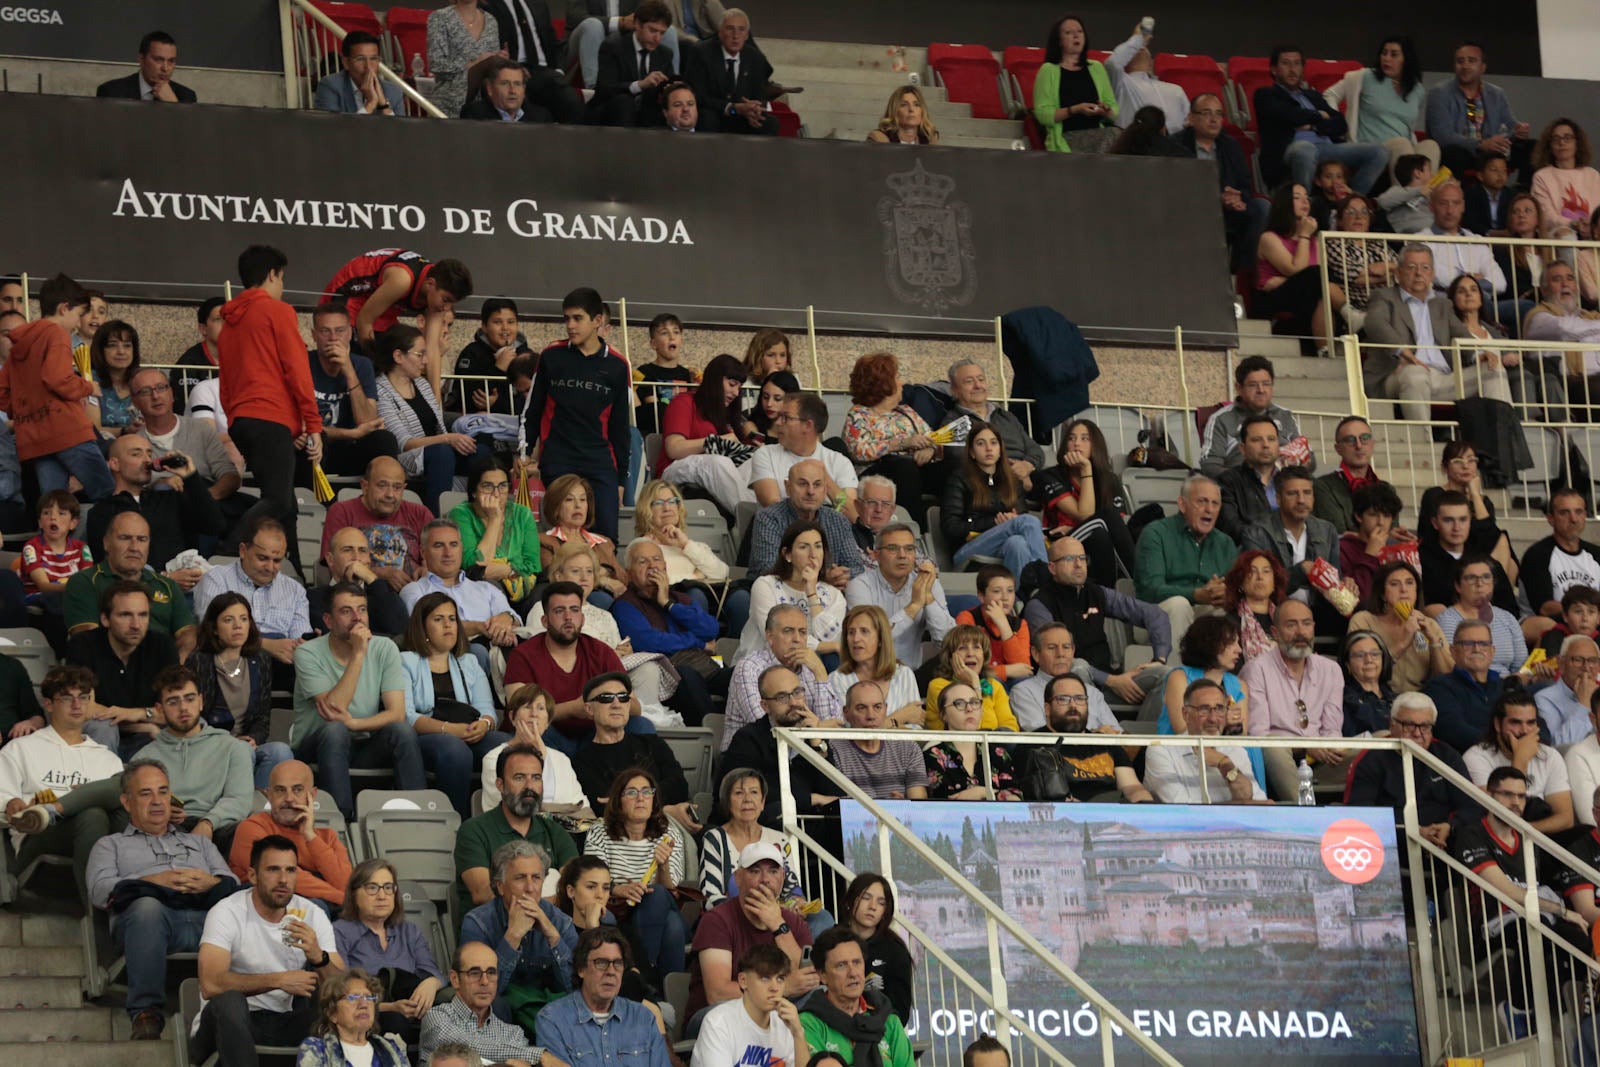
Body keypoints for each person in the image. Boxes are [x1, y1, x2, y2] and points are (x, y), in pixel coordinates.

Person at [87, 759, 238, 1040]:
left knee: (243, 910)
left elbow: (234, 887)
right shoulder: (110, 845)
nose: (157, 801)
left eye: (163, 792)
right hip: (150, 922)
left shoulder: (201, 843)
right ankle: (146, 1012)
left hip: (208, 921)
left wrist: (211, 882)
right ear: (127, 801)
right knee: (147, 907)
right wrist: (151, 881)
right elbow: (99, 890)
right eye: (146, 794)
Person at [191, 834, 345, 1067]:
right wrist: (278, 980)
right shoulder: (226, 912)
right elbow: (211, 984)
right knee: (230, 1001)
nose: (283, 879)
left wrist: (319, 957)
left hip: (282, 1020)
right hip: (226, 1025)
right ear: (252, 875)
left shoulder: (311, 914)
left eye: (291, 870)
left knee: (339, 1010)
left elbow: (344, 991)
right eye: (273, 870)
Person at [219, 245, 325, 582]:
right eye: (282, 277)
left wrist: (235, 414)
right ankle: (224, 554)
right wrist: (313, 423)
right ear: (272, 274)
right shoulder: (277, 311)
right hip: (270, 418)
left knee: (287, 507)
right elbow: (297, 369)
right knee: (278, 501)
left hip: (242, 419)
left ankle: (294, 574)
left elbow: (226, 381)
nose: (282, 285)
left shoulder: (229, 324)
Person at [291, 582, 424, 820]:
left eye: (362, 610)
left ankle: (416, 814)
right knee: (335, 730)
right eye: (346, 611)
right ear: (328, 620)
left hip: (363, 743)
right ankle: (341, 819)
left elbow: (396, 713)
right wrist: (358, 654)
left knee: (401, 731)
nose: (357, 618)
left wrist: (355, 724)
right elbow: (334, 709)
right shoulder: (307, 653)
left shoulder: (385, 647)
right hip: (315, 746)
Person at [0, 665, 123, 906]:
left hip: (99, 843)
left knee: (111, 806)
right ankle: (97, 914)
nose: (77, 705)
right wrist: (12, 804)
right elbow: (2, 796)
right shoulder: (21, 748)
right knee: (93, 814)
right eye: (67, 698)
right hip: (37, 843)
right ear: (48, 704)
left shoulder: (107, 758)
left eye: (83, 698)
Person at [525, 287, 632, 542]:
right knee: (562, 537)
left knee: (606, 539)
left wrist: (620, 480)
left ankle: (603, 581)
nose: (570, 325)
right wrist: (524, 451)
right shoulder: (552, 356)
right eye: (566, 318)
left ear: (597, 321)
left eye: (577, 318)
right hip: (558, 457)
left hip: (599, 461)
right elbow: (532, 408)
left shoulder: (618, 366)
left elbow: (620, 427)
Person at [1364, 243, 1511, 420]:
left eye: (1425, 268)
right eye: (1411, 267)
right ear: (1398, 273)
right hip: (1398, 375)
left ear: (1432, 274)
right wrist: (1401, 350)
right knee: (1415, 373)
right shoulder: (1385, 297)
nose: (1419, 273)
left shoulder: (1442, 305)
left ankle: (1505, 440)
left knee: (1493, 369)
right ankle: (1422, 443)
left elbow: (1461, 334)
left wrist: (1477, 355)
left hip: (1442, 378)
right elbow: (1375, 323)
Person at [503, 582, 654, 754]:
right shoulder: (523, 655)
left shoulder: (601, 652)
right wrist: (572, 708)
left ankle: (634, 781)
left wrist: (602, 707)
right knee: (534, 729)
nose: (568, 617)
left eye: (574, 610)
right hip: (549, 736)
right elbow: (521, 714)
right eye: (559, 611)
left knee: (641, 725)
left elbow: (634, 706)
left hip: (594, 736)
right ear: (545, 621)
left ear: (582, 618)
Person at [0, 273, 112, 499]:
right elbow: (57, 378)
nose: (78, 322)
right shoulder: (57, 334)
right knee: (108, 492)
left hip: (34, 439)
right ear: (64, 308)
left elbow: (2, 393)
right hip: (68, 431)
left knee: (54, 505)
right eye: (79, 314)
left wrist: (23, 410)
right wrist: (88, 387)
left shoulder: (19, 345)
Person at [1022, 533, 1170, 703]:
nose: (1078, 565)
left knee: (1166, 674)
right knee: (1078, 667)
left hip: (1108, 685)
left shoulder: (1097, 593)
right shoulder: (1039, 605)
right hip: (1064, 689)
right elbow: (1057, 658)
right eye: (1069, 559)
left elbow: (1156, 614)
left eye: (1082, 558)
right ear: (1052, 568)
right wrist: (1112, 680)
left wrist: (1159, 659)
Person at [399, 591, 508, 818]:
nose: (448, 625)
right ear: (422, 627)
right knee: (455, 750)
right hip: (427, 737)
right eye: (438, 619)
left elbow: (487, 709)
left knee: (506, 746)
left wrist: (485, 724)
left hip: (467, 731)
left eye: (451, 619)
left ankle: (500, 819)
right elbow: (406, 716)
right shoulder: (405, 662)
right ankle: (455, 821)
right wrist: (449, 729)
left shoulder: (468, 661)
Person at [686, 841, 819, 1026]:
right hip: (718, 1016)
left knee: (819, 998)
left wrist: (778, 925)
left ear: (782, 877)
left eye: (773, 871)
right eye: (755, 871)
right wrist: (783, 987)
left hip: (777, 1010)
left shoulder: (792, 922)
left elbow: (807, 979)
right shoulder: (716, 920)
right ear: (738, 878)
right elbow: (717, 993)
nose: (765, 879)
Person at [454, 743, 579, 927]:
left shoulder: (555, 832)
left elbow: (577, 887)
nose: (530, 786)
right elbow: (483, 894)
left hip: (548, 934)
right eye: (519, 778)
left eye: (536, 778)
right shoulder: (474, 831)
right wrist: (551, 902)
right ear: (500, 785)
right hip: (492, 933)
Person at [581, 766, 689, 975]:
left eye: (647, 792)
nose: (641, 798)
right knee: (672, 926)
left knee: (657, 895)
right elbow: (591, 878)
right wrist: (617, 889)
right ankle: (660, 992)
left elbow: (671, 889)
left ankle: (640, 974)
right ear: (618, 801)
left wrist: (662, 865)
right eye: (631, 792)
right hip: (619, 911)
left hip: (656, 905)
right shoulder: (600, 832)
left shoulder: (668, 832)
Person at [459, 840, 577, 1026]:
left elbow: (576, 988)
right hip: (500, 1017)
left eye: (536, 878)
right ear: (499, 885)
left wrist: (553, 937)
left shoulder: (560, 922)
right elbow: (479, 990)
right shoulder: (478, 923)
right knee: (493, 1004)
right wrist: (512, 937)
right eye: (520, 878)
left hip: (547, 1014)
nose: (530, 888)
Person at [1238, 599, 1346, 800]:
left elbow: (1332, 729)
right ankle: (1303, 813)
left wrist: (1329, 747)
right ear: (1275, 632)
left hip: (1321, 757)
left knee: (1382, 741)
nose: (1300, 632)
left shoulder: (1331, 669)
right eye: (1291, 625)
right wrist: (1307, 745)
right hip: (1281, 758)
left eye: (1306, 624)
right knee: (1273, 747)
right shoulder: (1257, 670)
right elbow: (1259, 735)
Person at [611, 538, 722, 725]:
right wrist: (699, 643)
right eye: (643, 561)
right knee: (687, 674)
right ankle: (715, 736)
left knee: (743, 673)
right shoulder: (625, 605)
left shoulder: (680, 598)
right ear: (629, 573)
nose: (652, 566)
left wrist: (668, 604)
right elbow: (649, 642)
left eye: (656, 559)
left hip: (707, 667)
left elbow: (711, 629)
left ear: (665, 565)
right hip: (670, 678)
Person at [85, 434, 225, 583]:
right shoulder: (102, 512)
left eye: (149, 453)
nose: (146, 460)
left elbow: (215, 525)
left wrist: (191, 476)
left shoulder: (169, 499)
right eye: (136, 454)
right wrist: (164, 579)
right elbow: (106, 569)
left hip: (187, 590)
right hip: (136, 594)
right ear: (115, 464)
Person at [1253, 44, 1386, 194]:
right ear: (1274, 70)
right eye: (1286, 63)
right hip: (1291, 149)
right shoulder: (1265, 94)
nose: (1292, 69)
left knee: (1378, 152)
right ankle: (1303, 208)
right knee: (1305, 149)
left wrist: (1313, 127)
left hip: (1327, 148)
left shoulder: (1312, 96)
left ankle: (1349, 201)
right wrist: (1318, 116)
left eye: (1297, 64)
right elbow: (1289, 114)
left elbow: (1340, 124)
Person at [63, 512, 199, 657]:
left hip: (164, 670)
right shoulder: (84, 582)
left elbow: (188, 633)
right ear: (106, 543)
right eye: (125, 538)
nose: (134, 547)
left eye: (142, 539)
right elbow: (87, 640)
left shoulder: (167, 585)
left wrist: (176, 665)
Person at [64, 581, 178, 755]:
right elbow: (84, 708)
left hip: (150, 734)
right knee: (103, 727)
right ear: (105, 619)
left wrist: (138, 713)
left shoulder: (162, 645)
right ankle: (102, 782)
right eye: (125, 615)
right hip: (104, 734)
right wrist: (141, 724)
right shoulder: (83, 646)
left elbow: (176, 707)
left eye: (143, 615)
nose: (136, 625)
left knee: (195, 722)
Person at [373, 322, 473, 515]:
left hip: (438, 450)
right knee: (442, 454)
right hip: (408, 457)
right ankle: (435, 519)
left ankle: (476, 515)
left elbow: (440, 427)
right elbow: (405, 444)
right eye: (420, 354)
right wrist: (447, 439)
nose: (425, 361)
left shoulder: (422, 385)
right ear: (398, 356)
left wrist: (452, 440)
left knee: (478, 451)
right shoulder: (381, 391)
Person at [1346, 692, 1474, 843]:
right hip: (1392, 846)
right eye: (1409, 725)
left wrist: (1450, 826)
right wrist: (1412, 832)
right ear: (1392, 724)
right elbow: (1360, 814)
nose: (1417, 733)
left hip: (1445, 843)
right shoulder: (1371, 759)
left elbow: (1472, 807)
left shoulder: (1447, 756)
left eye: (1425, 726)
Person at [722, 665, 843, 823]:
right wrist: (811, 799)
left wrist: (817, 744)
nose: (793, 702)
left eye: (797, 693)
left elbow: (833, 795)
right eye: (782, 697)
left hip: (810, 828)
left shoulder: (812, 735)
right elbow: (749, 795)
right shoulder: (748, 739)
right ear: (765, 706)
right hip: (766, 828)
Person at [571, 672, 695, 823]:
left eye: (623, 697)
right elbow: (605, 808)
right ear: (589, 709)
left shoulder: (653, 743)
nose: (616, 704)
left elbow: (679, 787)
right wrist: (665, 809)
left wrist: (627, 798)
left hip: (670, 828)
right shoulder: (581, 762)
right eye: (606, 698)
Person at [539, 927, 672, 1067]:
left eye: (618, 964)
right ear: (581, 969)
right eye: (601, 963)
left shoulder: (644, 1018)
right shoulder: (552, 1020)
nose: (611, 972)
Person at [228, 759, 352, 910]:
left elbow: (347, 884)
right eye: (280, 790)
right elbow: (283, 878)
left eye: (297, 790)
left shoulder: (327, 837)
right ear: (269, 795)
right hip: (264, 911)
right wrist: (345, 900)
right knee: (315, 907)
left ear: (312, 795)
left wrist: (310, 836)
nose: (288, 798)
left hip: (325, 908)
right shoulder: (252, 828)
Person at [1133, 474, 1237, 651]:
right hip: (1156, 615)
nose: (1209, 509)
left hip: (1203, 613)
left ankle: (1220, 676)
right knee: (1179, 605)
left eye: (1215, 503)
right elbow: (1150, 589)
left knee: (1223, 612)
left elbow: (1236, 589)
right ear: (1182, 504)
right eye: (1202, 502)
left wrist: (1227, 594)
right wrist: (1196, 594)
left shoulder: (1225, 543)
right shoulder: (1156, 534)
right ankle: (1176, 675)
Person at [194, 518, 309, 671]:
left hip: (283, 665)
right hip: (230, 663)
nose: (270, 567)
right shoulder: (216, 580)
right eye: (262, 558)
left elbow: (300, 639)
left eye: (277, 560)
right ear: (243, 550)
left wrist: (303, 644)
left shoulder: (295, 590)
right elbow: (211, 632)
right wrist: (266, 645)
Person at [304, 302, 400, 480]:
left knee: (383, 439)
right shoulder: (302, 362)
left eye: (340, 330)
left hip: (348, 449)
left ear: (349, 333)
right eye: (325, 331)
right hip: (314, 447)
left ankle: (381, 498)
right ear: (314, 335)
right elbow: (301, 427)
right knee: (311, 439)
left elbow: (368, 421)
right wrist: (352, 433)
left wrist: (348, 369)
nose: (333, 338)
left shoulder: (361, 365)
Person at [1019, 674, 1152, 803]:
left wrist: (1144, 803)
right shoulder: (1032, 745)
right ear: (1047, 708)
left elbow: (1131, 786)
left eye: (1080, 698)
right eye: (1063, 699)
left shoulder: (1105, 742)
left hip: (1110, 814)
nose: (1073, 705)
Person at [940, 421, 1047, 580]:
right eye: (980, 444)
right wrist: (995, 523)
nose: (988, 448)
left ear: (1000, 450)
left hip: (1004, 544)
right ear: (972, 452)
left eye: (993, 443)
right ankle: (1046, 581)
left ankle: (1021, 599)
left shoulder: (1012, 480)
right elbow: (951, 527)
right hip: (968, 549)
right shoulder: (959, 479)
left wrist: (1011, 521)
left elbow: (1020, 516)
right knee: (1028, 522)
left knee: (1017, 544)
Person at [130, 367, 244, 515]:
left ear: (172, 393)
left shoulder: (200, 429)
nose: (156, 396)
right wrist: (159, 485)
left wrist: (202, 499)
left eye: (161, 387)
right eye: (145, 391)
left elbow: (230, 476)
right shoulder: (134, 444)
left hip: (210, 511)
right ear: (135, 402)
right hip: (163, 514)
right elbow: (134, 491)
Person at [1033, 418, 1135, 585]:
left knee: (1101, 534)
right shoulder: (1051, 476)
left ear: (1096, 445)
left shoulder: (1109, 479)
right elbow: (1085, 515)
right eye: (1071, 439)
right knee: (1105, 519)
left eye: (1084, 438)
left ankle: (1106, 595)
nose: (1076, 444)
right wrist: (1086, 469)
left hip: (1094, 536)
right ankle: (1139, 578)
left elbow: (1117, 525)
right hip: (1064, 541)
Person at [418, 941, 551, 1067]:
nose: (485, 981)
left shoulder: (513, 1034)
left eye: (491, 972)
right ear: (455, 979)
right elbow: (462, 1049)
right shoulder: (436, 1018)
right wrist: (538, 1055)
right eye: (475, 973)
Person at [841, 352, 936, 525]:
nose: (903, 383)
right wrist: (900, 443)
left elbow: (933, 438)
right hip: (876, 472)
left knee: (952, 467)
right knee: (904, 467)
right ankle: (913, 525)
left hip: (915, 467)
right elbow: (859, 451)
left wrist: (930, 449)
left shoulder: (906, 412)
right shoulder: (859, 414)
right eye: (897, 377)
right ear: (883, 384)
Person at [1323, 36, 1439, 178]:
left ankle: (1425, 195)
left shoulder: (1417, 89)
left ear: (1406, 59)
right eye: (1384, 53)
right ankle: (1402, 195)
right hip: (1372, 148)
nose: (1386, 58)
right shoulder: (1364, 77)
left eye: (1394, 54)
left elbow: (1410, 126)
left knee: (1430, 145)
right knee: (1401, 144)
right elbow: (1330, 94)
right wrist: (1337, 122)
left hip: (1406, 148)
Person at [797, 928, 915, 1067]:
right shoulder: (809, 1023)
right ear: (822, 975)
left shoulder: (889, 1021)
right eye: (841, 965)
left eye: (857, 962)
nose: (853, 973)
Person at [658, 353, 759, 515]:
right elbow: (673, 449)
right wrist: (715, 442)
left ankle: (762, 513)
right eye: (732, 384)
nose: (735, 393)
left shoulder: (725, 414)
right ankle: (752, 516)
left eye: (739, 387)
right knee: (718, 463)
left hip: (716, 472)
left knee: (757, 460)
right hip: (673, 472)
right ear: (715, 380)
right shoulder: (684, 402)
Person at [1179, 93, 1270, 272]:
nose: (1214, 119)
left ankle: (1239, 275)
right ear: (1191, 118)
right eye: (1206, 113)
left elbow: (1245, 185)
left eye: (1218, 114)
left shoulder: (1230, 145)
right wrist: (1215, 198)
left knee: (1261, 207)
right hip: (1189, 211)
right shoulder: (1177, 145)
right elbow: (1173, 189)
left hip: (1226, 212)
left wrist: (1236, 198)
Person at [1466, 690, 1575, 837]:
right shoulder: (1476, 757)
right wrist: (1520, 761)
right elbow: (1496, 815)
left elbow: (1565, 819)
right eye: (1515, 722)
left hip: (1541, 837)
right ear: (1498, 724)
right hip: (1499, 839)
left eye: (1530, 723)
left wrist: (1525, 830)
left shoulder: (1550, 756)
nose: (1524, 731)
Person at [1254, 182, 1346, 352]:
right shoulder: (1269, 238)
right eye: (1297, 198)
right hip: (1274, 301)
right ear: (1284, 203)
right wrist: (1304, 234)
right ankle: (1348, 313)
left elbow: (1317, 281)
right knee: (1316, 275)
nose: (1305, 202)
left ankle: (1325, 351)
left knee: (1322, 290)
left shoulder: (1315, 242)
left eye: (1307, 198)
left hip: (1305, 300)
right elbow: (1296, 270)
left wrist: (1284, 280)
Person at [844, 524, 952, 667]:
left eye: (909, 549)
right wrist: (914, 606)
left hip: (911, 677)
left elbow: (946, 641)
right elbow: (870, 639)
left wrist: (929, 599)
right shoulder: (859, 586)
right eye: (893, 549)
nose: (902, 555)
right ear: (876, 555)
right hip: (869, 673)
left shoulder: (928, 583)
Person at [1144, 678, 1267, 802]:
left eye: (1219, 709)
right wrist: (1235, 805)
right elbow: (1182, 809)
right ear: (1186, 714)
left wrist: (1225, 764)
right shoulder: (1161, 751)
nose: (1213, 719)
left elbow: (1256, 801)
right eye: (1204, 709)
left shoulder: (1236, 751)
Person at [749, 459, 868, 587]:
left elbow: (856, 567)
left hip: (831, 594)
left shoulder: (838, 519)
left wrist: (839, 575)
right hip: (779, 596)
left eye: (817, 485)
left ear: (825, 489)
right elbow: (767, 569)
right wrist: (822, 578)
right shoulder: (769, 518)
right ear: (787, 487)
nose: (811, 491)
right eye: (802, 484)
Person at [740, 520, 846, 663]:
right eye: (804, 547)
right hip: (763, 664)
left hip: (810, 668)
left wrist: (812, 593)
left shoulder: (834, 595)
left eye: (818, 546)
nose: (813, 555)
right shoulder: (765, 586)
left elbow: (830, 636)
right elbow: (778, 638)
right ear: (787, 554)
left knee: (833, 660)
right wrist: (825, 646)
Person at [699, 769, 805, 910]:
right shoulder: (714, 839)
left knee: (822, 918)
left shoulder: (779, 839)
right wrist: (754, 910)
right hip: (733, 920)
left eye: (754, 792)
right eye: (739, 793)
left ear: (762, 802)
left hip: (777, 916)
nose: (747, 799)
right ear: (727, 802)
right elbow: (710, 897)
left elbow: (792, 889)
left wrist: (797, 903)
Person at [1425, 42, 1533, 181]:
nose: (1465, 66)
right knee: (1453, 153)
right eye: (1460, 61)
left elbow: (1510, 125)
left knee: (1532, 147)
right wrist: (1481, 144)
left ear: (1482, 67)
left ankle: (1522, 193)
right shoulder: (1439, 93)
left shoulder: (1496, 93)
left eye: (1471, 61)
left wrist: (1518, 131)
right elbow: (1443, 136)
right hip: (1463, 152)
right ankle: (1456, 198)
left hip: (1491, 152)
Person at [321, 248, 471, 346]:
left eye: (452, 303)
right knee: (363, 361)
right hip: (350, 295)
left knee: (399, 355)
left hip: (382, 306)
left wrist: (435, 395)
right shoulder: (402, 279)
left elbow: (432, 349)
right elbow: (364, 320)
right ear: (430, 284)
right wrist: (374, 362)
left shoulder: (437, 295)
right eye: (446, 300)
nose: (446, 308)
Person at [692, 942, 809, 1067]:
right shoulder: (718, 1022)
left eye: (780, 979)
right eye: (765, 978)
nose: (775, 987)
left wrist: (798, 1034)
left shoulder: (787, 1023)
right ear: (743, 981)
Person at [1198, 356, 1314, 479]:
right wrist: (1242, 482)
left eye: (1266, 384)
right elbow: (1209, 465)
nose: (1261, 390)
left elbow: (1310, 459)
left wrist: (1297, 465)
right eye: (1253, 385)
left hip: (1285, 484)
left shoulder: (1285, 416)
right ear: (1239, 388)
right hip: (1241, 487)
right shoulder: (1221, 419)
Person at [321, 456, 436, 579]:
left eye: (397, 487)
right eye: (382, 486)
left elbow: (436, 561)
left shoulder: (420, 514)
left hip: (413, 592)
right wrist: (379, 575)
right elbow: (335, 566)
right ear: (365, 486)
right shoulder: (342, 512)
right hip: (361, 592)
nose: (390, 494)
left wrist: (427, 571)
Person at [751, 392, 861, 520]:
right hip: (780, 534)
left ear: (808, 425)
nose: (778, 422)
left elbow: (852, 514)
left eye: (786, 417)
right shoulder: (765, 455)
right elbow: (772, 504)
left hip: (828, 535)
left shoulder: (839, 462)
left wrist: (825, 478)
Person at [449, 457, 540, 612]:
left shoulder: (522, 514)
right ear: (474, 491)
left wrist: (508, 570)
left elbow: (533, 565)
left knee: (545, 595)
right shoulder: (461, 514)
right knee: (489, 586)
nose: (496, 494)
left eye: (502, 486)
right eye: (487, 486)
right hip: (482, 587)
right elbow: (473, 567)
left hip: (521, 585)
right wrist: (495, 519)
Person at [1347, 561, 1452, 694]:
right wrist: (1404, 640)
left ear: (1416, 591)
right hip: (1376, 696)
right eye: (1394, 584)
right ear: (1383, 594)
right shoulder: (1364, 620)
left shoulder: (1429, 624)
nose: (1403, 589)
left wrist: (1435, 643)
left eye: (1409, 583)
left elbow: (1447, 678)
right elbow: (1361, 669)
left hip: (1421, 700)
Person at [481, 684, 586, 813]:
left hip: (563, 831)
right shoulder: (494, 758)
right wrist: (539, 757)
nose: (534, 714)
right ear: (512, 717)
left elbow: (582, 806)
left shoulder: (561, 759)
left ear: (548, 722)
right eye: (527, 707)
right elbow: (513, 806)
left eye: (541, 708)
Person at [938, 360, 1044, 488]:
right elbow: (960, 458)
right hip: (985, 483)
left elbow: (1035, 450)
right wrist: (1011, 474)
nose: (978, 385)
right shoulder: (952, 423)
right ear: (954, 390)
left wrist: (1026, 466)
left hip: (1025, 474)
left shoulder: (1006, 416)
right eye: (969, 381)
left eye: (981, 379)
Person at [1419, 492, 1518, 617]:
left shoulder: (1486, 562)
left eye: (1463, 520)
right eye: (1448, 520)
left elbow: (1510, 608)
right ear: (1435, 523)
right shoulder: (1421, 559)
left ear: (1470, 520)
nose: (1457, 527)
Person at [1009, 623, 1120, 734]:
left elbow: (1117, 733)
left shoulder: (1092, 693)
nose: (1060, 654)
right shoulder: (1023, 692)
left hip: (1098, 751)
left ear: (1072, 652)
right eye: (1052, 648)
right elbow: (1041, 735)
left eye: (1066, 647)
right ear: (1036, 653)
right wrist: (1095, 735)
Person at [683, 7, 778, 135]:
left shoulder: (756, 58)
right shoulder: (701, 53)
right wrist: (732, 108)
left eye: (741, 29)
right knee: (707, 119)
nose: (735, 35)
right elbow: (697, 96)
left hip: (742, 116)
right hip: (714, 113)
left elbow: (760, 95)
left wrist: (753, 110)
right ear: (720, 32)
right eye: (730, 28)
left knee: (769, 123)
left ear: (747, 35)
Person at [828, 604, 924, 730]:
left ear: (880, 638)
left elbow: (915, 727)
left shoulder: (904, 675)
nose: (856, 639)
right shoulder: (836, 679)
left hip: (900, 749)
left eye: (864, 631)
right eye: (851, 632)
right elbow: (850, 731)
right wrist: (898, 718)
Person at [1031, 15, 1116, 154]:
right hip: (1068, 137)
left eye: (1080, 31)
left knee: (1127, 137)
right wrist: (1075, 109)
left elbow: (1113, 109)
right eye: (1069, 33)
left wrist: (1106, 111)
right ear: (1059, 41)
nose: (1076, 36)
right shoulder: (1048, 70)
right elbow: (1043, 115)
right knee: (1113, 136)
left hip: (1099, 134)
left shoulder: (1097, 68)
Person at [1423, 617, 1508, 753]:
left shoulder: (1507, 687)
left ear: (1492, 651)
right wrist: (1502, 745)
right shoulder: (1440, 687)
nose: (1476, 649)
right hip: (1467, 761)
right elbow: (1454, 731)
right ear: (1453, 651)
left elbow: (1537, 724)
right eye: (1468, 644)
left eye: (1483, 644)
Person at [923, 682, 1019, 800]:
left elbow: (1016, 799)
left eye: (974, 702)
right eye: (959, 703)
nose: (969, 709)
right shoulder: (932, 756)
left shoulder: (998, 754)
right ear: (943, 715)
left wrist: (983, 792)